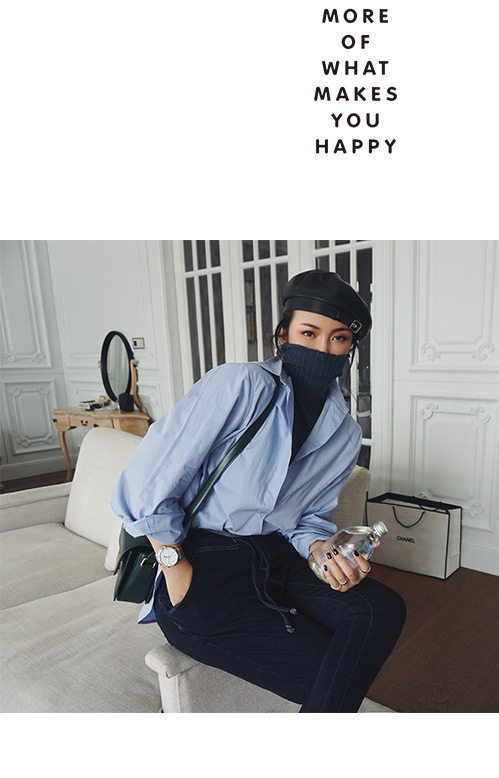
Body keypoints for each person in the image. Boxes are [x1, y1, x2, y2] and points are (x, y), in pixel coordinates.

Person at [111, 268, 406, 713]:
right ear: (283, 334)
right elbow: (147, 483)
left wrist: (323, 551)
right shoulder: (240, 385)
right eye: (309, 332)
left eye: (339, 338)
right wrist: (175, 568)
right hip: (204, 562)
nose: (323, 348)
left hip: (278, 560)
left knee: (382, 608)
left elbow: (308, 518)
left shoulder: (345, 433)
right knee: (329, 677)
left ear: (350, 348)